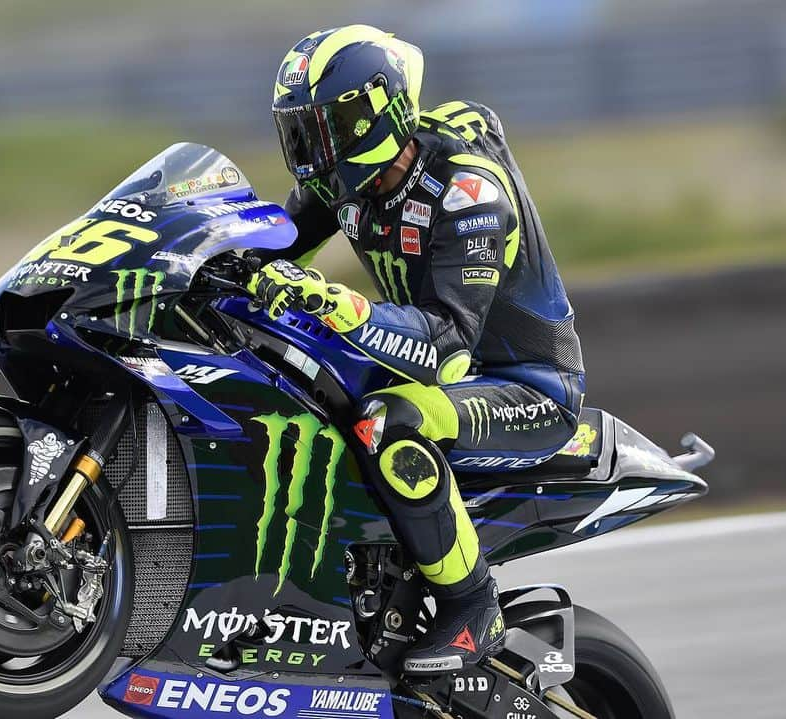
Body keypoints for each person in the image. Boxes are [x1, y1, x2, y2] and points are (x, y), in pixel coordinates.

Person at [247, 25, 585, 674]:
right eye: (299, 132)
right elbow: (272, 246)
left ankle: (473, 604)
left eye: (324, 129)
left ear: (376, 113)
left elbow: (446, 340)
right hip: (450, 375)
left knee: (388, 421)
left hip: (530, 386)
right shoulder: (343, 184)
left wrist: (334, 303)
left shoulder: (469, 196)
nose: (311, 151)